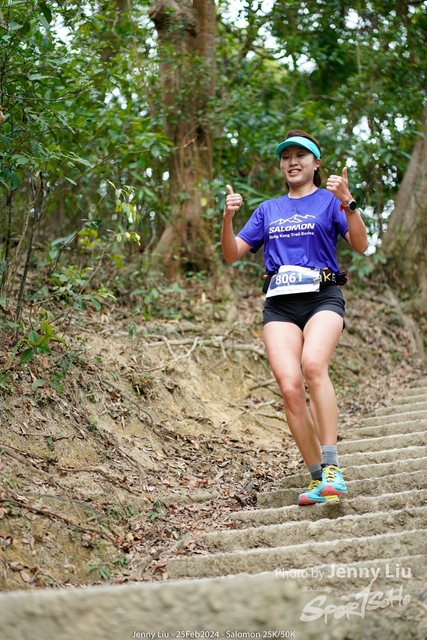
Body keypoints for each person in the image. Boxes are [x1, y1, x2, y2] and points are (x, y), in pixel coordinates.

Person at [221, 129, 368, 505]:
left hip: (322, 297)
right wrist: (227, 218)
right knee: (289, 388)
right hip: (280, 306)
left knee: (313, 365)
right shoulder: (268, 209)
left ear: (316, 163)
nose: (292, 162)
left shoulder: (330, 202)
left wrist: (349, 203)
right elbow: (233, 253)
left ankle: (333, 469)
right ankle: (319, 480)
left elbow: (361, 245)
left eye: (301, 155)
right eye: (286, 157)